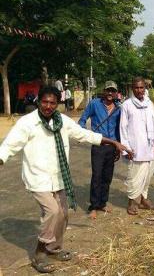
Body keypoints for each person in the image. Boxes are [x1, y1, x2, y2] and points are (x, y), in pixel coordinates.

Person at [0, 86, 131, 274]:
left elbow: (85, 134)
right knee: (52, 211)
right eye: (44, 102)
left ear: (57, 104)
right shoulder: (27, 123)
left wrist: (113, 142)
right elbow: (10, 144)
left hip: (59, 176)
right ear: (38, 101)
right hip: (38, 177)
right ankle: (39, 253)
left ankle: (54, 249)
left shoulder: (63, 121)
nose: (48, 106)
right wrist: (1, 158)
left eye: (52, 103)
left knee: (62, 213)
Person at [78, 81, 121, 219]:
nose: (110, 93)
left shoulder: (119, 108)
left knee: (107, 177)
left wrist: (118, 147)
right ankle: (93, 206)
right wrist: (85, 134)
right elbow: (82, 120)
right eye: (107, 90)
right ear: (103, 91)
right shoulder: (94, 104)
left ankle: (103, 203)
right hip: (98, 146)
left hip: (112, 147)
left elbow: (119, 129)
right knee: (96, 176)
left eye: (112, 91)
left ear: (116, 93)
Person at [120, 77, 154, 215]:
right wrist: (126, 148)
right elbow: (123, 128)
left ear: (145, 88)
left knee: (148, 174)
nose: (139, 90)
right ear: (132, 88)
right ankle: (132, 202)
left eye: (141, 87)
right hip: (136, 147)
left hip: (150, 147)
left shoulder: (149, 103)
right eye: (136, 87)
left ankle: (143, 199)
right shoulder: (127, 105)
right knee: (134, 176)